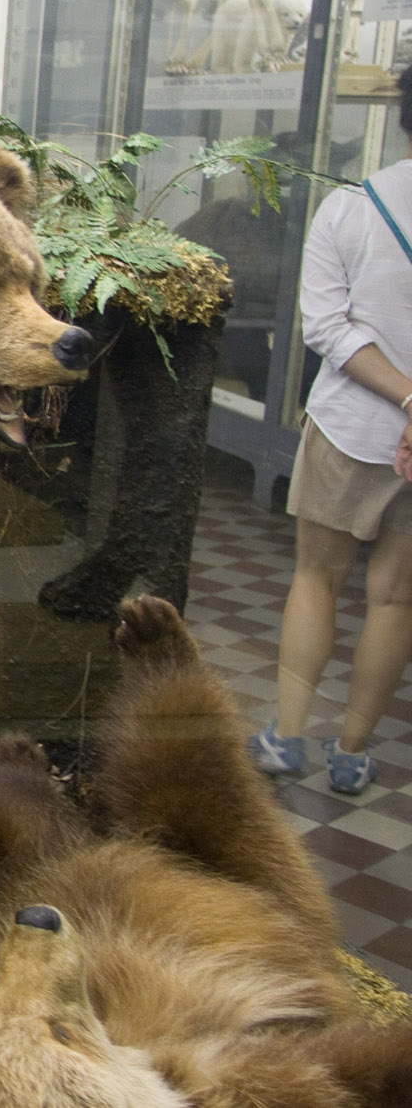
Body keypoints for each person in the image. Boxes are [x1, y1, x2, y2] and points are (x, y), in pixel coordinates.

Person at [254, 63, 412, 794]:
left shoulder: (353, 208)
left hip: (350, 422)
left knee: (317, 577)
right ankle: (351, 754)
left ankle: (287, 738)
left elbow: (326, 326)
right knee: (395, 597)